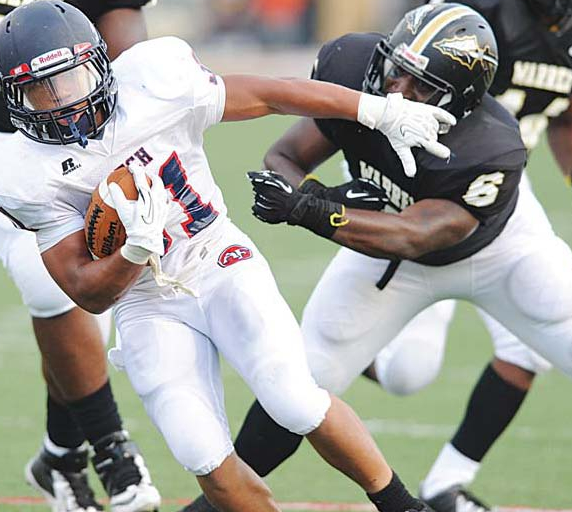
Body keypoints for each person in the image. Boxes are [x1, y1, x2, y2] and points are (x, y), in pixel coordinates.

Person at [0, 2, 457, 512]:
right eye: (38, 90)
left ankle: (404, 507)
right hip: (146, 303)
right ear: (12, 98)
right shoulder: (23, 174)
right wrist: (134, 251)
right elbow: (87, 291)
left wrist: (376, 110)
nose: (60, 103)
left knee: (294, 399)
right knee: (202, 454)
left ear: (98, 64)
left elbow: (269, 94)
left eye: (69, 80)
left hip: (217, 257)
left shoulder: (153, 80)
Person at [179, 2, 572, 512]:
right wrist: (319, 193)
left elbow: (413, 236)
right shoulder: (355, 68)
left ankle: (445, 480)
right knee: (299, 385)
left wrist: (314, 209)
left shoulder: (491, 146)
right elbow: (286, 157)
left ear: (463, 100)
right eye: (396, 72)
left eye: (421, 87)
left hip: (498, 249)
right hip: (383, 245)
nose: (397, 93)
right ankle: (211, 507)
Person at [356, 1, 572, 510]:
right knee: (409, 372)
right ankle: (312, 347)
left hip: (506, 197)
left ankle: (445, 484)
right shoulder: (485, 18)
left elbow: (562, 109)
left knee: (531, 345)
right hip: (440, 186)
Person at [0, 1, 161, 511]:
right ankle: (112, 449)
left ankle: (60, 456)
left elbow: (126, 41)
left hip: (73, 118)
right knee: (43, 270)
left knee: (89, 315)